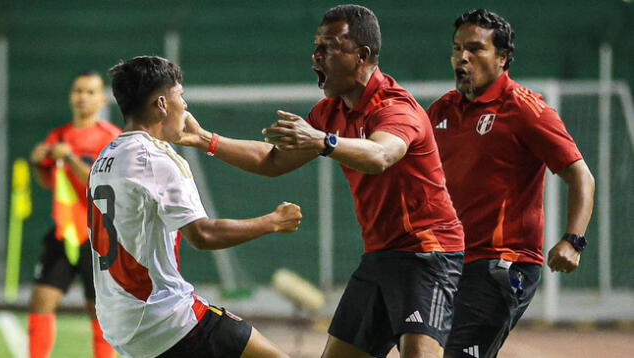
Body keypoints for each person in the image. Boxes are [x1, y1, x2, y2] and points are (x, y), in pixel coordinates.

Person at [176, 5, 465, 358]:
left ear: (362, 55)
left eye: (328, 47)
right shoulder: (329, 113)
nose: (317, 57)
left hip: (428, 254)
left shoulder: (396, 107)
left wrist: (322, 141)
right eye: (316, 47)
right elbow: (274, 161)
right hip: (380, 256)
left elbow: (380, 156)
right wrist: (206, 139)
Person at [88, 55, 301, 358]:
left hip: (118, 320)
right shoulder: (157, 159)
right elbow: (204, 235)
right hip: (162, 317)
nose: (185, 106)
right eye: (180, 96)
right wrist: (273, 222)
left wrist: (204, 140)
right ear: (162, 104)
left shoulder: (106, 156)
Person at [426, 9, 595, 358]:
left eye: (475, 49)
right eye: (457, 48)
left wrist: (573, 241)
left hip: (501, 263)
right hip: (447, 262)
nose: (463, 57)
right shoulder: (441, 111)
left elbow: (581, 176)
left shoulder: (526, 109)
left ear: (502, 58)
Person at [28, 71, 121, 358]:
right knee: (41, 300)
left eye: (90, 92)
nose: (83, 97)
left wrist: (69, 157)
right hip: (63, 233)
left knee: (98, 311)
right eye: (78, 91)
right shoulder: (59, 134)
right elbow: (50, 182)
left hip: (98, 238)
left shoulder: (111, 138)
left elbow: (98, 183)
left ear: (102, 99)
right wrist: (37, 163)